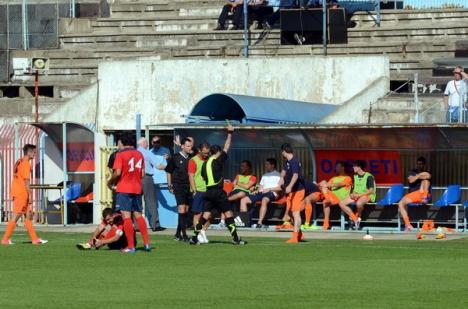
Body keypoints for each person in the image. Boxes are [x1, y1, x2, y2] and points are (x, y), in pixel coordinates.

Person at [190, 124, 246, 245]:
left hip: (208, 192)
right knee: (228, 214)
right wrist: (230, 133)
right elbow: (226, 147)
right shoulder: (218, 160)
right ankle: (236, 238)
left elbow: (204, 177)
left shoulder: (204, 164)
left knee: (205, 215)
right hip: (218, 192)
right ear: (218, 153)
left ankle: (194, 238)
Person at [108, 133, 150, 253]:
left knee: (127, 217)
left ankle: (131, 246)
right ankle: (147, 244)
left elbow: (118, 172)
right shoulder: (139, 154)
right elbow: (142, 174)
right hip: (137, 188)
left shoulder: (120, 154)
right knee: (138, 216)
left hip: (124, 188)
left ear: (122, 142)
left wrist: (110, 181)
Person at [2, 144, 48, 245]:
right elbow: (26, 181)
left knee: (28, 216)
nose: (35, 154)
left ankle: (35, 239)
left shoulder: (19, 161)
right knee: (17, 215)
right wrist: (30, 196)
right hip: (21, 193)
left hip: (18, 191)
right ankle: (5, 239)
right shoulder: (26, 163)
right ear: (29, 152)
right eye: (34, 152)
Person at [240, 158, 282, 228]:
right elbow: (261, 187)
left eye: (267, 164)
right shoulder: (264, 175)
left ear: (273, 165)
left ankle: (259, 223)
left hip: (272, 193)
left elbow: (280, 188)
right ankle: (245, 221)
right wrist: (257, 190)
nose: (265, 166)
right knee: (243, 200)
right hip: (262, 193)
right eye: (265, 164)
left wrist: (269, 189)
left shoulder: (278, 175)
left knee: (264, 199)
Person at [165, 137, 193, 242]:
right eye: (188, 146)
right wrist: (169, 185)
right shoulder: (175, 157)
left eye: (191, 146)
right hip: (178, 185)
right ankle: (184, 235)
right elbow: (168, 171)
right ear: (182, 146)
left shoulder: (191, 157)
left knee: (185, 210)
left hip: (188, 186)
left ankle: (177, 234)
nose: (190, 148)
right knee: (181, 209)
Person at [280, 143, 306, 243]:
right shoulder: (288, 162)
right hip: (292, 191)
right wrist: (281, 178)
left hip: (297, 191)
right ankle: (300, 234)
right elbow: (283, 171)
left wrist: (289, 186)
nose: (281, 154)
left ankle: (295, 237)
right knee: (291, 213)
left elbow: (295, 175)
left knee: (295, 213)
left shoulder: (294, 161)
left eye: (281, 152)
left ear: (284, 151)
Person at [137, 137, 165, 232]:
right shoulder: (148, 153)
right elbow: (158, 165)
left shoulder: (135, 152)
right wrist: (169, 166)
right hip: (146, 178)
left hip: (135, 179)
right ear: (144, 143)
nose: (148, 145)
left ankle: (137, 226)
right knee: (151, 201)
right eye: (147, 143)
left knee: (136, 202)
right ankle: (155, 225)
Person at [338, 160, 376, 230]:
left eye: (354, 166)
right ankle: (355, 219)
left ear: (359, 167)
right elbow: (354, 188)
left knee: (359, 203)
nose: (353, 167)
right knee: (341, 203)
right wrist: (352, 194)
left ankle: (358, 215)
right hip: (357, 195)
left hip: (367, 195)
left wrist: (359, 195)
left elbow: (371, 191)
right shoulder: (355, 176)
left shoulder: (369, 176)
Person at [398, 157, 431, 231]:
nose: (420, 165)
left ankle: (424, 198)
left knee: (425, 181)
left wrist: (417, 176)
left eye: (421, 164)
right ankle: (408, 225)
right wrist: (419, 175)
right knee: (400, 204)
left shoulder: (427, 171)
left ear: (424, 165)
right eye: (418, 164)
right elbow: (411, 180)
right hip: (414, 194)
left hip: (423, 193)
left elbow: (428, 176)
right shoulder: (412, 171)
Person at [318, 161, 352, 230]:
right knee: (325, 201)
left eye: (337, 167)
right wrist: (321, 185)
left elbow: (340, 184)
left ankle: (326, 222)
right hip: (332, 198)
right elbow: (327, 185)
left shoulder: (348, 178)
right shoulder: (333, 178)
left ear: (342, 168)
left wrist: (327, 185)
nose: (336, 168)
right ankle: (326, 223)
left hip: (342, 198)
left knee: (326, 200)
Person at [188, 142, 211, 244]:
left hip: (209, 190)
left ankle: (203, 232)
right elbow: (191, 176)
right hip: (199, 190)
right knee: (198, 214)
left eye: (208, 153)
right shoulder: (193, 160)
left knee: (209, 214)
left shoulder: (209, 160)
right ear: (200, 150)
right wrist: (194, 190)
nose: (206, 155)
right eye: (205, 153)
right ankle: (196, 234)